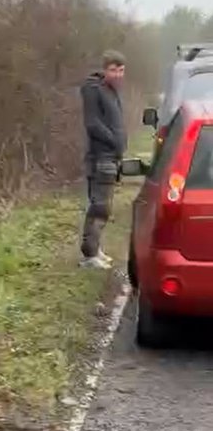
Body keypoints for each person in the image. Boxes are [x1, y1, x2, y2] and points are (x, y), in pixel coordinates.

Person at [79, 51, 127, 268]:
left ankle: (96, 248)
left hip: (111, 157)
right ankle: (90, 255)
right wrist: (114, 141)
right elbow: (92, 124)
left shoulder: (112, 91)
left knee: (104, 205)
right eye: (113, 70)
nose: (117, 74)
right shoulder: (93, 89)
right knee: (99, 205)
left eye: (121, 70)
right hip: (100, 156)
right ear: (105, 69)